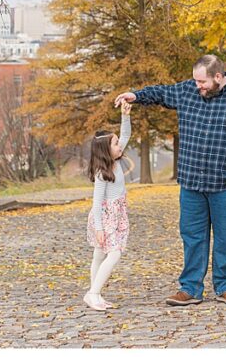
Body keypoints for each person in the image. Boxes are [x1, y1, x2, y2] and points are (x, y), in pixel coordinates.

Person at [113, 54, 226, 306]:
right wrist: (136, 95)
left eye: (202, 82)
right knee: (193, 236)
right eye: (195, 81)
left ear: (218, 76)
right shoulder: (187, 91)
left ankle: (225, 286)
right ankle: (190, 288)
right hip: (192, 181)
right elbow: (161, 93)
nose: (198, 86)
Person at [83, 100, 133, 311]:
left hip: (117, 213)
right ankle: (93, 293)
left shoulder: (116, 162)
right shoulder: (102, 173)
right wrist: (100, 229)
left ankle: (95, 294)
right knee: (114, 253)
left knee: (99, 255)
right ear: (105, 150)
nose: (119, 145)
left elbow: (126, 135)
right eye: (114, 144)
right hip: (105, 218)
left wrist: (125, 116)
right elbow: (96, 203)